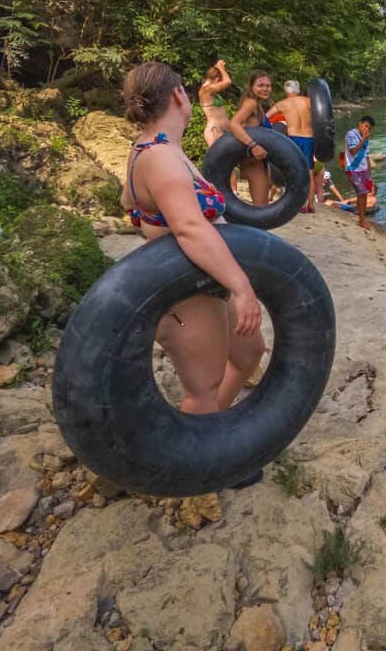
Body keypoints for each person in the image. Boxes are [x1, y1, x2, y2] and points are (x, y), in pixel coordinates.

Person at [118, 61, 267, 437]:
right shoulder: (161, 157)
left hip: (207, 277)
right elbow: (188, 228)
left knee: (249, 353)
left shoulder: (155, 148)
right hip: (188, 291)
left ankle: (213, 433)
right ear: (178, 96)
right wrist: (242, 287)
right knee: (203, 387)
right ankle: (198, 473)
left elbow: (126, 200)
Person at [266, 80, 317, 213]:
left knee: (295, 171)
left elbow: (265, 118)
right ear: (298, 90)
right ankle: (310, 205)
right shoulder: (308, 101)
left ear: (286, 91)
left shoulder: (282, 104)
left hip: (293, 139)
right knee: (309, 172)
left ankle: (299, 204)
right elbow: (322, 117)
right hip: (308, 138)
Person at [230, 71, 273, 205]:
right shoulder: (251, 103)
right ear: (251, 87)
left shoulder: (258, 105)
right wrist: (253, 145)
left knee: (263, 207)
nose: (265, 89)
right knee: (261, 209)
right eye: (260, 85)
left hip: (260, 162)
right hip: (252, 162)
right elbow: (234, 123)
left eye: (268, 86)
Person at [198, 59, 255, 151]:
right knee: (219, 162)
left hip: (225, 130)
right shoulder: (206, 89)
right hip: (215, 131)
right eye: (220, 80)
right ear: (217, 78)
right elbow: (227, 82)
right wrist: (221, 68)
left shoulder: (211, 91)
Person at [343, 115, 375, 230]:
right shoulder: (351, 134)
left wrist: (370, 175)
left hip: (364, 169)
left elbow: (367, 157)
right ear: (360, 123)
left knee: (364, 194)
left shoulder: (365, 138)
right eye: (366, 126)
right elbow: (352, 151)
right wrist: (363, 140)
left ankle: (362, 219)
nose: (367, 129)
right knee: (361, 193)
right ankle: (361, 221)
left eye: (369, 128)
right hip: (353, 169)